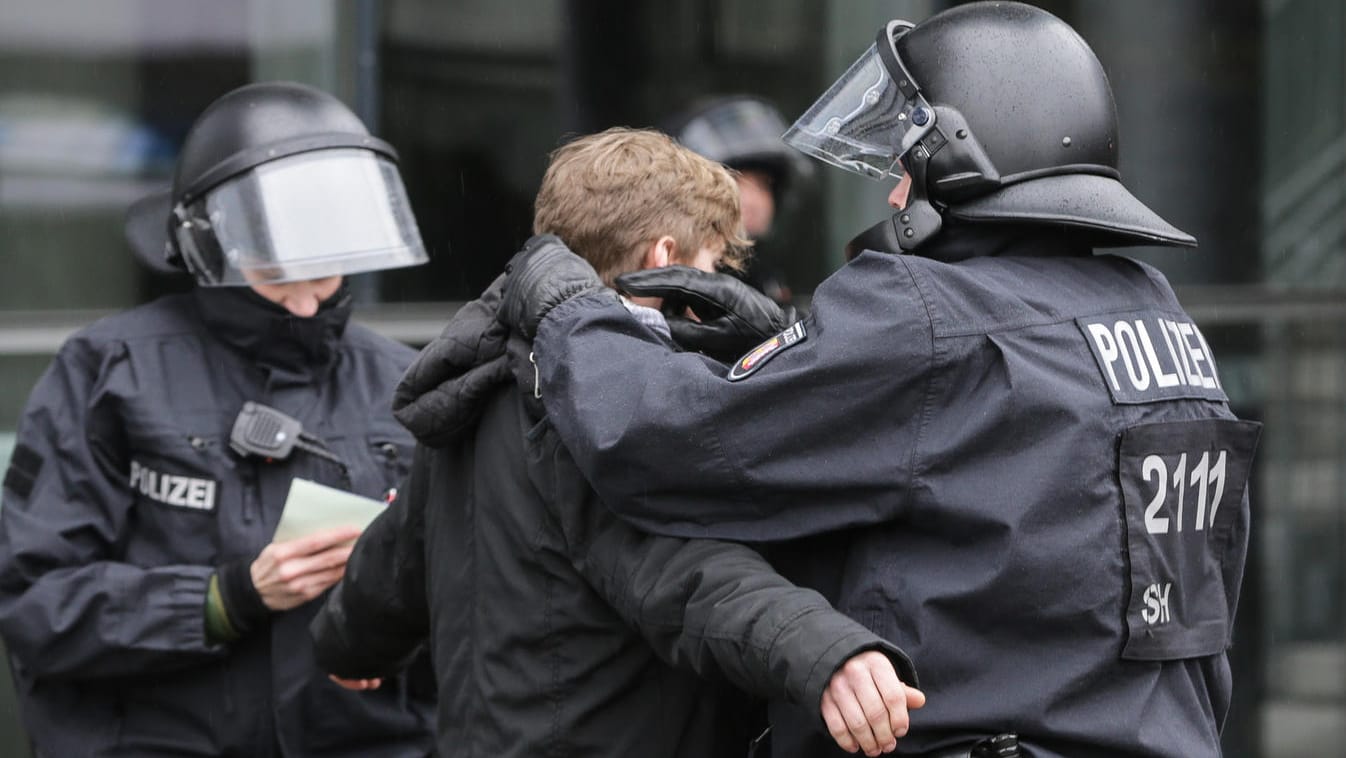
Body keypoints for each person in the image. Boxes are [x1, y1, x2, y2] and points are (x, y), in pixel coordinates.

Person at [496, 4, 1263, 758]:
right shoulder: (1158, 315)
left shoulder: (926, 311)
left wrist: (570, 310)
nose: (896, 195)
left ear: (967, 161)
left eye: (906, 169)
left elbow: (658, 441)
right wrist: (780, 344)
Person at [309, 127, 925, 758]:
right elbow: (685, 574)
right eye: (709, 266)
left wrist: (344, 643)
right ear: (665, 258)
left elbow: (390, 563)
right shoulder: (593, 414)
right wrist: (823, 650)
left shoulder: (482, 379)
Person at [0, 81, 436, 757]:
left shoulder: (404, 385)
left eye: (325, 271)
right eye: (274, 270)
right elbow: (35, 603)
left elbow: (478, 601)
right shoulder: (110, 372)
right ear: (208, 249)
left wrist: (394, 635)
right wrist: (225, 598)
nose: (303, 303)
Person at [664, 95, 813, 305]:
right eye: (733, 180)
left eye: (764, 184)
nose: (754, 200)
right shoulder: (670, 282)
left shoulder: (766, 278)